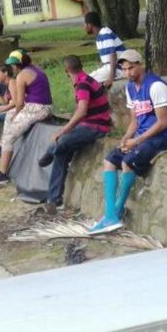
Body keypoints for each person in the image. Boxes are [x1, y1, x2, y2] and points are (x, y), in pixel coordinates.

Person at [89, 48, 167, 235]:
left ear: (140, 65)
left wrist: (136, 141)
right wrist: (126, 138)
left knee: (127, 162)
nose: (128, 73)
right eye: (124, 69)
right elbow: (135, 121)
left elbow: (163, 123)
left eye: (131, 68)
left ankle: (116, 212)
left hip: (161, 137)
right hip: (141, 137)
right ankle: (111, 213)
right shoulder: (130, 88)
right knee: (109, 160)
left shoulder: (156, 86)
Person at [39, 55, 112, 214]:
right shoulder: (87, 79)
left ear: (66, 71)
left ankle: (49, 152)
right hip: (89, 124)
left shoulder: (83, 84)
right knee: (62, 152)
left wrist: (63, 130)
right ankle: (54, 200)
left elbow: (81, 111)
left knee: (61, 142)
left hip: (96, 127)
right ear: (81, 65)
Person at [0, 50, 53, 187]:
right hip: (42, 106)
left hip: (37, 108)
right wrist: (13, 114)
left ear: (16, 65)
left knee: (10, 135)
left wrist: (16, 115)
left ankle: (2, 174)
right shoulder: (36, 69)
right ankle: (1, 148)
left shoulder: (21, 76)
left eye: (12, 65)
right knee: (9, 116)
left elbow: (19, 103)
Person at [83, 11, 125, 89]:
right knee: (86, 79)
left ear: (90, 25)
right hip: (112, 68)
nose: (84, 27)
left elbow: (113, 55)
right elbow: (106, 60)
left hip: (119, 69)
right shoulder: (101, 35)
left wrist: (111, 78)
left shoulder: (105, 34)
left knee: (84, 81)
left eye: (85, 24)